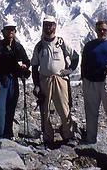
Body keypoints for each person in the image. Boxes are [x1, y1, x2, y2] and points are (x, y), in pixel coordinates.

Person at [31, 15, 79, 145]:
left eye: (50, 25)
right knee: (44, 110)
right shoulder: (39, 46)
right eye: (46, 24)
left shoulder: (62, 43)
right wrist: (36, 85)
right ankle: (48, 138)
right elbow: (34, 67)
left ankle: (68, 135)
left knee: (64, 108)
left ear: (55, 26)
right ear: (43, 26)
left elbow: (75, 57)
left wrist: (69, 70)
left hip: (60, 80)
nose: (48, 27)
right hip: (44, 80)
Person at [0, 18, 30, 140]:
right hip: (0, 81)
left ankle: (8, 134)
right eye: (8, 29)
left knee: (10, 108)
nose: (11, 31)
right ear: (3, 31)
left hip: (13, 81)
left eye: (13, 29)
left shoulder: (18, 47)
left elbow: (26, 61)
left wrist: (25, 67)